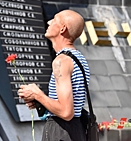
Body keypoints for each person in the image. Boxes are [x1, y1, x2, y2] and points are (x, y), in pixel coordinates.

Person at [18, 10, 90, 141]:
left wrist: (37, 94)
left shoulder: (61, 61)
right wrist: (42, 102)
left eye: (55, 19)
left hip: (61, 131)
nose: (49, 22)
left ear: (63, 29)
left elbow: (66, 112)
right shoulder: (79, 58)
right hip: (76, 129)